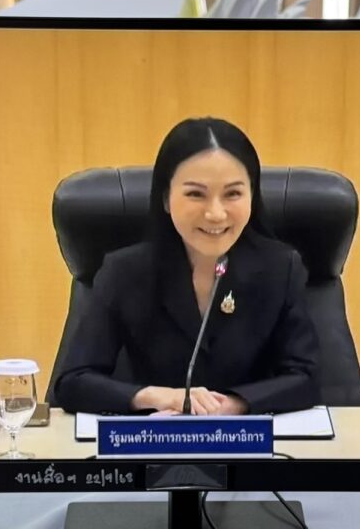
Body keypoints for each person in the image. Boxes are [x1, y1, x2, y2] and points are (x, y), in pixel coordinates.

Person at [53, 117, 320, 416]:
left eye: (233, 194)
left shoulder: (281, 269)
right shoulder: (124, 272)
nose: (216, 213)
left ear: (252, 197)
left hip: (250, 438)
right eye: (195, 194)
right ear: (166, 199)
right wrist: (156, 396)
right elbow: (73, 382)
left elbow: (306, 379)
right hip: (155, 437)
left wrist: (234, 405)